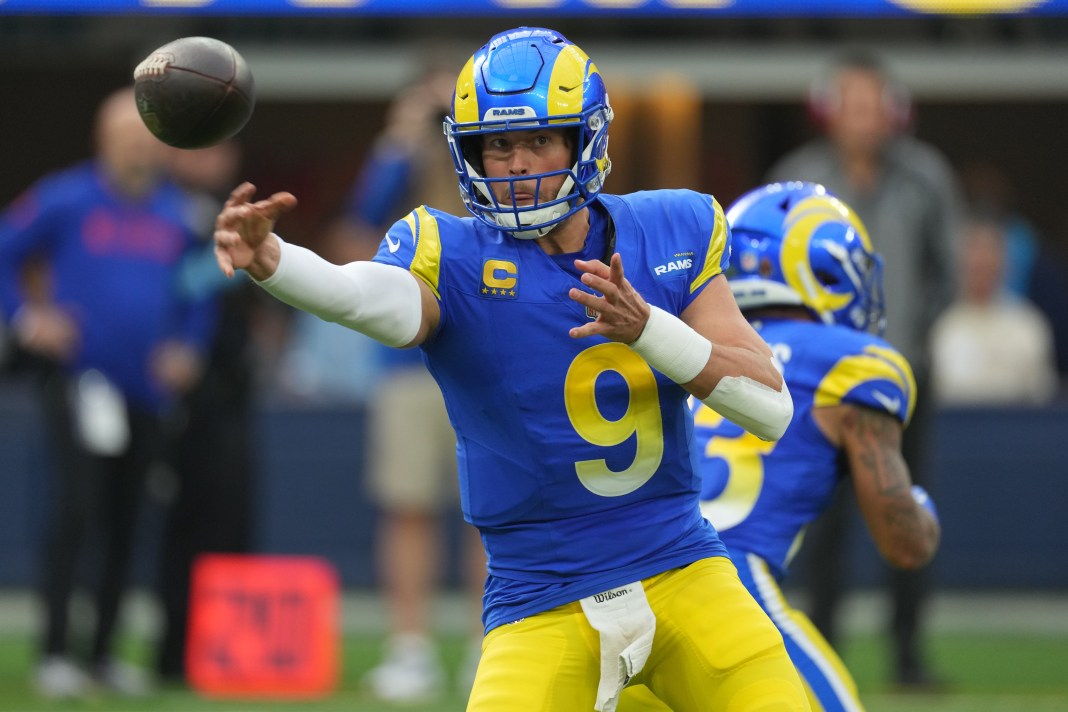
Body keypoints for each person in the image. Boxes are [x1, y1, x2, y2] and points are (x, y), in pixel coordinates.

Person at [214, 26, 808, 711]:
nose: (516, 163)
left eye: (538, 141)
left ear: (583, 141)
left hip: (685, 570)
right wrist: (276, 264)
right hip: (540, 597)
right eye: (497, 145)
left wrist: (649, 330)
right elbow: (366, 298)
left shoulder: (671, 229)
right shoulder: (450, 250)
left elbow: (769, 407)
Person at [619, 181, 943, 712]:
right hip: (726, 581)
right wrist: (921, 510)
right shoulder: (851, 361)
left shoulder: (697, 349)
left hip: (623, 587)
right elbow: (903, 541)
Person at [0, 86, 214, 698]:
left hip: (145, 388)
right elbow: (5, 254)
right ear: (103, 140)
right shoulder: (65, 198)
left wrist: (188, 347)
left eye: (146, 136)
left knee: (129, 519)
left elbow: (200, 288)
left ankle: (101, 653)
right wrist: (28, 319)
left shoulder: (180, 213)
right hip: (80, 379)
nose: (137, 147)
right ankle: (54, 651)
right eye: (126, 135)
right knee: (76, 512)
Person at [766, 48, 962, 689]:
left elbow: (946, 273)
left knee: (902, 506)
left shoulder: (926, 177)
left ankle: (908, 655)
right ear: (828, 110)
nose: (863, 116)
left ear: (895, 111)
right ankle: (821, 651)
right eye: (850, 101)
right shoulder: (796, 177)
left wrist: (909, 343)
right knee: (819, 525)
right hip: (817, 381)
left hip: (899, 378)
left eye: (873, 101)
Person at [328, 67, 488, 702]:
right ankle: (411, 646)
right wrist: (398, 145)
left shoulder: (495, 162)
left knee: (492, 511)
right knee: (408, 506)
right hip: (409, 365)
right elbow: (352, 239)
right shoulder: (397, 170)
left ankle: (490, 641)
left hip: (488, 360)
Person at [154, 139, 261, 684]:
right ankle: (173, 656)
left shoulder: (234, 211)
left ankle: (225, 653)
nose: (212, 161)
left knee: (231, 520)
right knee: (182, 525)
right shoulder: (157, 209)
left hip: (232, 388)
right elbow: (164, 287)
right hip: (175, 390)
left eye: (222, 149)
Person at [929, 208, 1058, 407]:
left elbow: (1044, 400)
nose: (981, 261)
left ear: (1004, 260)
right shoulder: (943, 327)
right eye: (974, 251)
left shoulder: (1028, 326)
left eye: (989, 251)